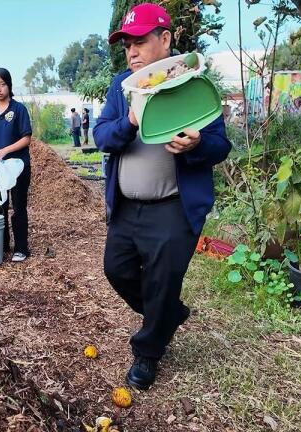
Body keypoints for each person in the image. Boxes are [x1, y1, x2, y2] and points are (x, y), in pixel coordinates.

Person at [94, 3, 231, 389]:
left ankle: (148, 352)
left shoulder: (192, 83)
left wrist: (198, 144)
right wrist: (131, 120)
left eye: (139, 42)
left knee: (161, 279)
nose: (132, 52)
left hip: (173, 208)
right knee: (116, 269)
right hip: (126, 206)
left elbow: (221, 144)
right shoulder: (123, 88)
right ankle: (167, 314)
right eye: (126, 46)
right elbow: (102, 136)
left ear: (166, 39)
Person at [0, 68, 33, 262]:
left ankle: (21, 248)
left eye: (2, 84)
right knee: (0, 205)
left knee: (19, 206)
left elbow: (26, 138)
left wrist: (5, 150)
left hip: (18, 166)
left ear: (9, 86)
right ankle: (2, 245)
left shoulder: (19, 110)